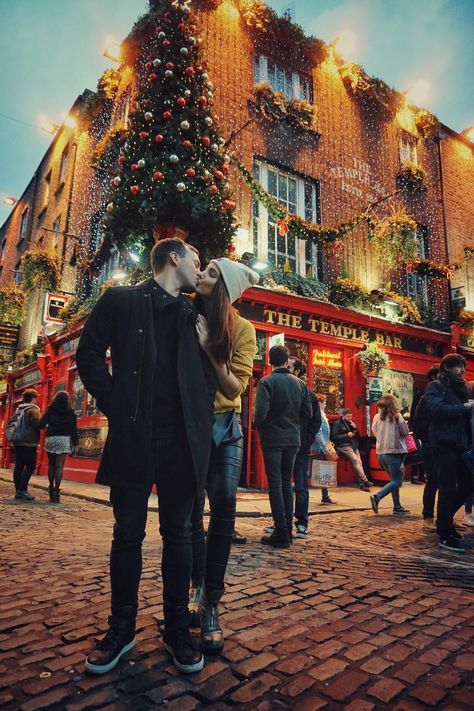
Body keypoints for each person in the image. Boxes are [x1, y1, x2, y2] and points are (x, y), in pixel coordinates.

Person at [76, 237, 216, 675]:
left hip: (180, 442)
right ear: (174, 258)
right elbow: (88, 354)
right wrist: (115, 403)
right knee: (127, 534)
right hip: (134, 437)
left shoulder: (195, 314)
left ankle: (177, 628)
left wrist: (212, 290)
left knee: (178, 535)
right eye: (196, 260)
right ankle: (121, 627)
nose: (200, 267)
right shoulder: (120, 300)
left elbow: (210, 373)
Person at [189, 257, 258, 655]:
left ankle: (211, 603)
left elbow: (234, 389)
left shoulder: (243, 330)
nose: (201, 275)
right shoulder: (186, 313)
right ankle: (196, 586)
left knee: (226, 505)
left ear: (226, 289)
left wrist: (211, 353)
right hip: (191, 427)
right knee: (189, 511)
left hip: (225, 430)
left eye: (211, 273)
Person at [253, 345, 312, 549]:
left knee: (276, 483)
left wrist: (258, 424)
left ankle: (281, 530)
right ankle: (286, 527)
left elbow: (260, 412)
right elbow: (308, 413)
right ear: (287, 361)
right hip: (293, 439)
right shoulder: (300, 384)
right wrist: (293, 423)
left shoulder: (266, 382)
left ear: (270, 361)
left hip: (272, 438)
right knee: (287, 483)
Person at [424, 354, 474, 553]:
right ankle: (444, 532)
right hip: (442, 443)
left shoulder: (459, 387)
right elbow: (438, 410)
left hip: (460, 444)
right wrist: (464, 407)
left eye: (463, 366)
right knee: (447, 487)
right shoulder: (435, 387)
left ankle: (444, 521)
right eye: (458, 366)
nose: (462, 370)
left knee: (468, 484)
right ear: (447, 367)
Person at [288, 358, 321, 537]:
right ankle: (282, 522)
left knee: (300, 485)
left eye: (289, 367)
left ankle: (301, 522)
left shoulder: (309, 395)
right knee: (283, 485)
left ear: (298, 371)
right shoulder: (284, 390)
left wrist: (306, 440)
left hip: (300, 446)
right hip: (286, 444)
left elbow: (316, 421)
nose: (286, 369)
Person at [370, 394, 410, 515]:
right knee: (398, 481)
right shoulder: (397, 416)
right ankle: (377, 496)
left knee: (393, 480)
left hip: (381, 453)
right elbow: (405, 433)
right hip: (394, 453)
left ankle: (397, 507)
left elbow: (375, 431)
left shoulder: (377, 417)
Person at [410, 366, 439, 531]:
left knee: (447, 483)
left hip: (445, 444)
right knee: (433, 480)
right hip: (431, 443)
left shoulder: (449, 394)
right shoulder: (423, 395)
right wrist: (426, 438)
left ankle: (444, 519)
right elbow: (416, 421)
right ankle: (428, 515)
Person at [37, 391, 79, 503]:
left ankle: (50, 488)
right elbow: (73, 429)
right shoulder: (70, 411)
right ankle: (56, 491)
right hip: (64, 439)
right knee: (59, 466)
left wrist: (47, 425)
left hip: (51, 438)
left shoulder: (51, 409)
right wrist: (75, 443)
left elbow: (41, 424)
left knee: (51, 465)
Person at [11, 388, 41, 501]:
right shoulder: (33, 410)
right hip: (29, 442)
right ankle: (22, 490)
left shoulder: (19, 409)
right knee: (31, 466)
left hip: (18, 441)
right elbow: (38, 424)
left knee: (19, 466)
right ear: (33, 398)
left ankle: (18, 490)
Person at [330, 409, 372, 491]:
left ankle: (362, 483)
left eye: (351, 416)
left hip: (353, 445)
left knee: (359, 462)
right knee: (355, 460)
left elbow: (358, 436)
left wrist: (355, 428)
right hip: (343, 446)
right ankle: (364, 480)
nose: (350, 418)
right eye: (348, 416)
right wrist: (346, 435)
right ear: (343, 415)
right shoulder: (337, 423)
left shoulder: (352, 423)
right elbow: (334, 437)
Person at [310, 394, 337, 505]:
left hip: (321, 446)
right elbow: (318, 432)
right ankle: (293, 487)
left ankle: (325, 495)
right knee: (317, 471)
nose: (325, 404)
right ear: (319, 403)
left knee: (322, 471)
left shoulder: (321, 414)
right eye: (324, 402)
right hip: (318, 447)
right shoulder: (319, 415)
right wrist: (324, 447)